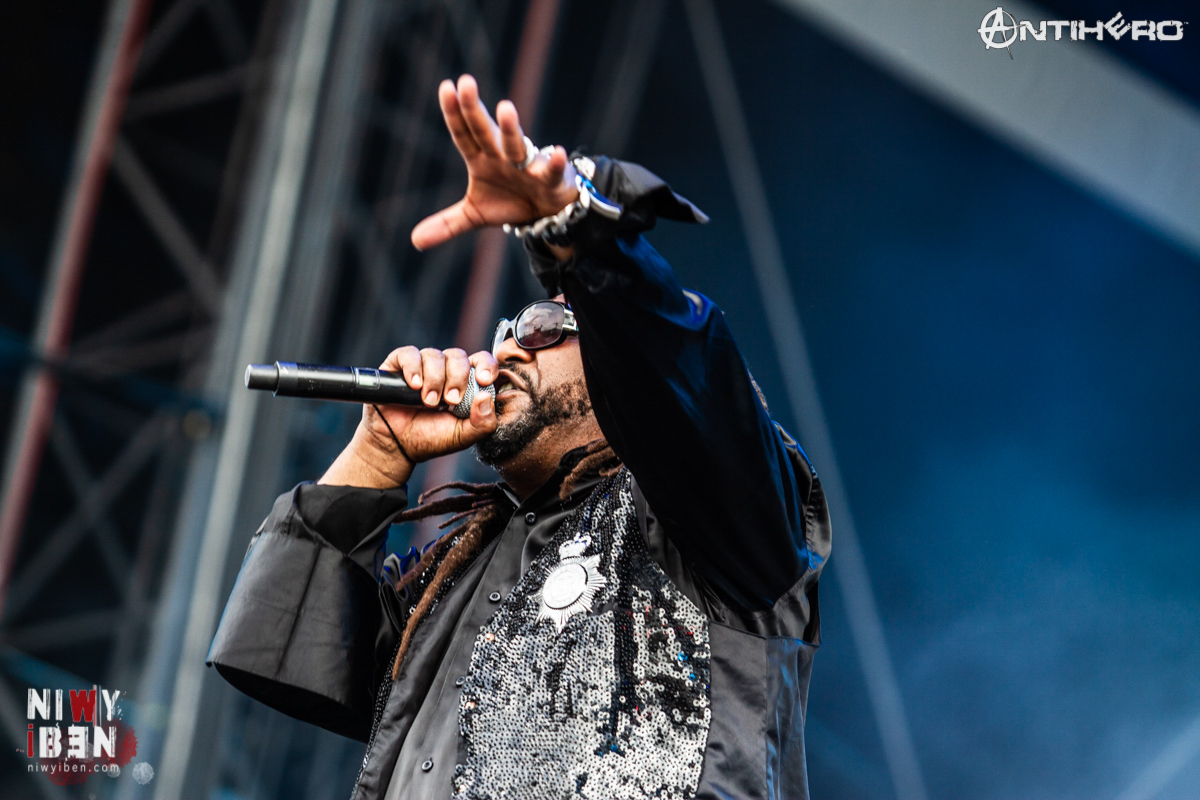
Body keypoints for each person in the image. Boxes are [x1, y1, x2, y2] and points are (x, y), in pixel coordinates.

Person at [208, 74, 831, 800]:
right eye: (507, 328)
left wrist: (570, 228)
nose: (505, 346)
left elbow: (676, 361)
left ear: (615, 360)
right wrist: (377, 454)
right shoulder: (465, 570)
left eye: (541, 326)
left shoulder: (710, 517)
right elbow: (288, 656)